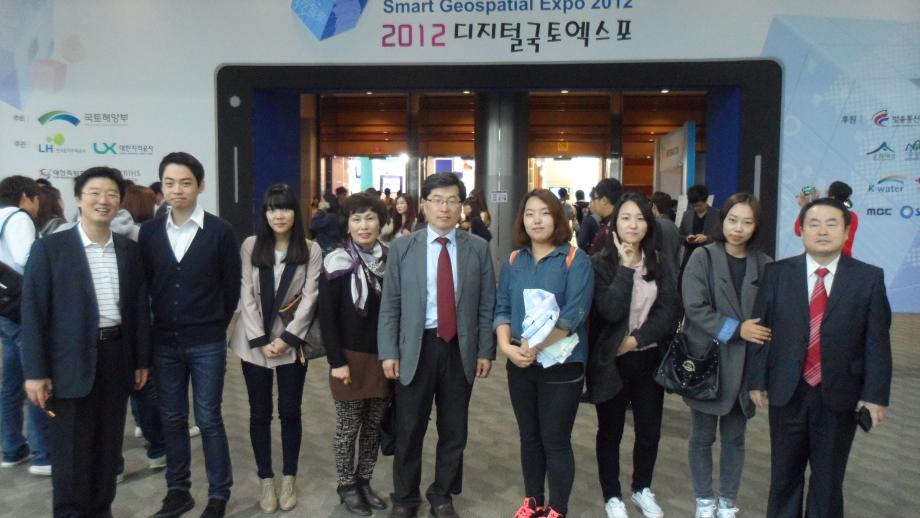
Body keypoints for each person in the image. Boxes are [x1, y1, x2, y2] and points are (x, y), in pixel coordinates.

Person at [747, 197, 891, 518]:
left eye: (831, 224)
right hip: (787, 389)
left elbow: (877, 342)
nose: (822, 231)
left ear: (847, 231)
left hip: (840, 392)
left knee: (828, 480)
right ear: (801, 230)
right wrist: (756, 379)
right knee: (784, 476)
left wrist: (875, 395)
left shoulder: (868, 278)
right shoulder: (777, 273)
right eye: (813, 224)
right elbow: (760, 329)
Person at [21, 167, 151, 516]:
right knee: (71, 455)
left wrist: (140, 359)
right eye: (94, 193)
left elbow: (139, 308)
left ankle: (100, 510)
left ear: (119, 201)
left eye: (111, 194)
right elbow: (33, 313)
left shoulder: (128, 250)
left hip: (115, 357)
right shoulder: (50, 249)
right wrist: (35, 371)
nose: (102, 200)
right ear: (79, 198)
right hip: (69, 363)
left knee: (107, 450)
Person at [377, 172, 496, 518]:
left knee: (454, 429)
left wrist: (485, 350)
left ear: (462, 206)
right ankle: (405, 497)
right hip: (416, 348)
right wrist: (389, 351)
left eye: (452, 200)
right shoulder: (403, 247)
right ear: (424, 206)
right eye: (438, 201)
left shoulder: (477, 248)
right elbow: (390, 304)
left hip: (460, 349)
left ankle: (442, 493)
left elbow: (486, 305)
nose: (445, 208)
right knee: (409, 428)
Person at [139, 152, 241, 518]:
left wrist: (212, 322)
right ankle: (178, 491)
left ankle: (218, 494)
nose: (177, 190)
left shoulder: (219, 231)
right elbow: (145, 286)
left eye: (185, 183)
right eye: (169, 183)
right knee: (172, 419)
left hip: (206, 342)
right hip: (164, 342)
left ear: (200, 186)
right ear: (162, 187)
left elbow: (231, 287)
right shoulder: (150, 232)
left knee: (209, 418)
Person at [495, 189, 594, 518]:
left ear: (558, 217)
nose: (536, 220)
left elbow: (573, 316)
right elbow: (502, 308)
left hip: (562, 364)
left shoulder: (574, 260)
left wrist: (534, 346)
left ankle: (558, 509)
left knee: (555, 439)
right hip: (521, 363)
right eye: (529, 214)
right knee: (529, 437)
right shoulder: (515, 260)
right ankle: (533, 501)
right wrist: (506, 347)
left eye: (545, 213)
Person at [586, 192, 680, 518]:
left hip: (648, 357)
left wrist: (637, 339)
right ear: (615, 223)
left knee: (649, 431)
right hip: (611, 362)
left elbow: (669, 312)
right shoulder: (599, 263)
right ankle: (612, 495)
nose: (633, 225)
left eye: (640, 218)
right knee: (610, 432)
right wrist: (626, 268)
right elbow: (610, 310)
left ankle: (642, 488)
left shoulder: (659, 260)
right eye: (626, 218)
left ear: (649, 224)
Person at [231, 184, 321, 513]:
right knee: (259, 413)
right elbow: (246, 294)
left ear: (295, 213)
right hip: (253, 345)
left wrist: (286, 339)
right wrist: (260, 340)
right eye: (272, 209)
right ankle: (266, 479)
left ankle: (289, 478)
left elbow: (310, 298)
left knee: (290, 412)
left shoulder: (311, 249)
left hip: (291, 346)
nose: (278, 215)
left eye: (284, 208)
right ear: (265, 213)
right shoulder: (250, 245)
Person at [681, 193, 772, 518]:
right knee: (702, 437)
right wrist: (736, 329)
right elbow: (694, 307)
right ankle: (705, 499)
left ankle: (728, 501)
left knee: (735, 439)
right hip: (708, 363)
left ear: (755, 226)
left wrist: (763, 376)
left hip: (745, 367)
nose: (738, 228)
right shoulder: (703, 256)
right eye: (733, 220)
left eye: (747, 222)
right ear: (723, 221)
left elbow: (771, 319)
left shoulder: (765, 264)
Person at [320, 193, 392, 516]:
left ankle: (364, 481)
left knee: (373, 426)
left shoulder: (391, 260)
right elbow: (327, 317)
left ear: (381, 222)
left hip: (383, 357)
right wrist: (336, 362)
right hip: (348, 358)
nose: (364, 226)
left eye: (370, 218)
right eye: (356, 219)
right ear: (347, 224)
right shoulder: (336, 261)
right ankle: (346, 485)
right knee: (348, 427)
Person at [0, 175, 50, 476]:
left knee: (10, 383)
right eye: (36, 199)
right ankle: (43, 453)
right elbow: (28, 260)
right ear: (25, 197)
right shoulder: (18, 218)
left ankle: (12, 448)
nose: (37, 206)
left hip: (5, 311)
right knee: (37, 377)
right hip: (22, 311)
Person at [793, 181, 858, 256]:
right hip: (844, 259)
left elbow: (798, 231)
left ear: (831, 197)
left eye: (827, 192)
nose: (825, 194)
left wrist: (805, 206)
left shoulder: (818, 213)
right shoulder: (853, 217)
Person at [679, 185, 719, 271]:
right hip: (690, 255)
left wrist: (707, 238)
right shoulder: (687, 215)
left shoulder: (717, 215)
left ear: (706, 201)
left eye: (699, 205)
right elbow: (679, 235)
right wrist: (687, 238)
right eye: (693, 206)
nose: (696, 208)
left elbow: (721, 236)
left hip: (709, 256)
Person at [586, 178, 623, 256]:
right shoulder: (612, 221)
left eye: (594, 199)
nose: (592, 203)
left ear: (604, 200)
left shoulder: (610, 228)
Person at [651, 192, 681, 275]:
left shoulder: (655, 226)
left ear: (654, 206)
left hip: (660, 274)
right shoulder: (674, 226)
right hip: (673, 273)